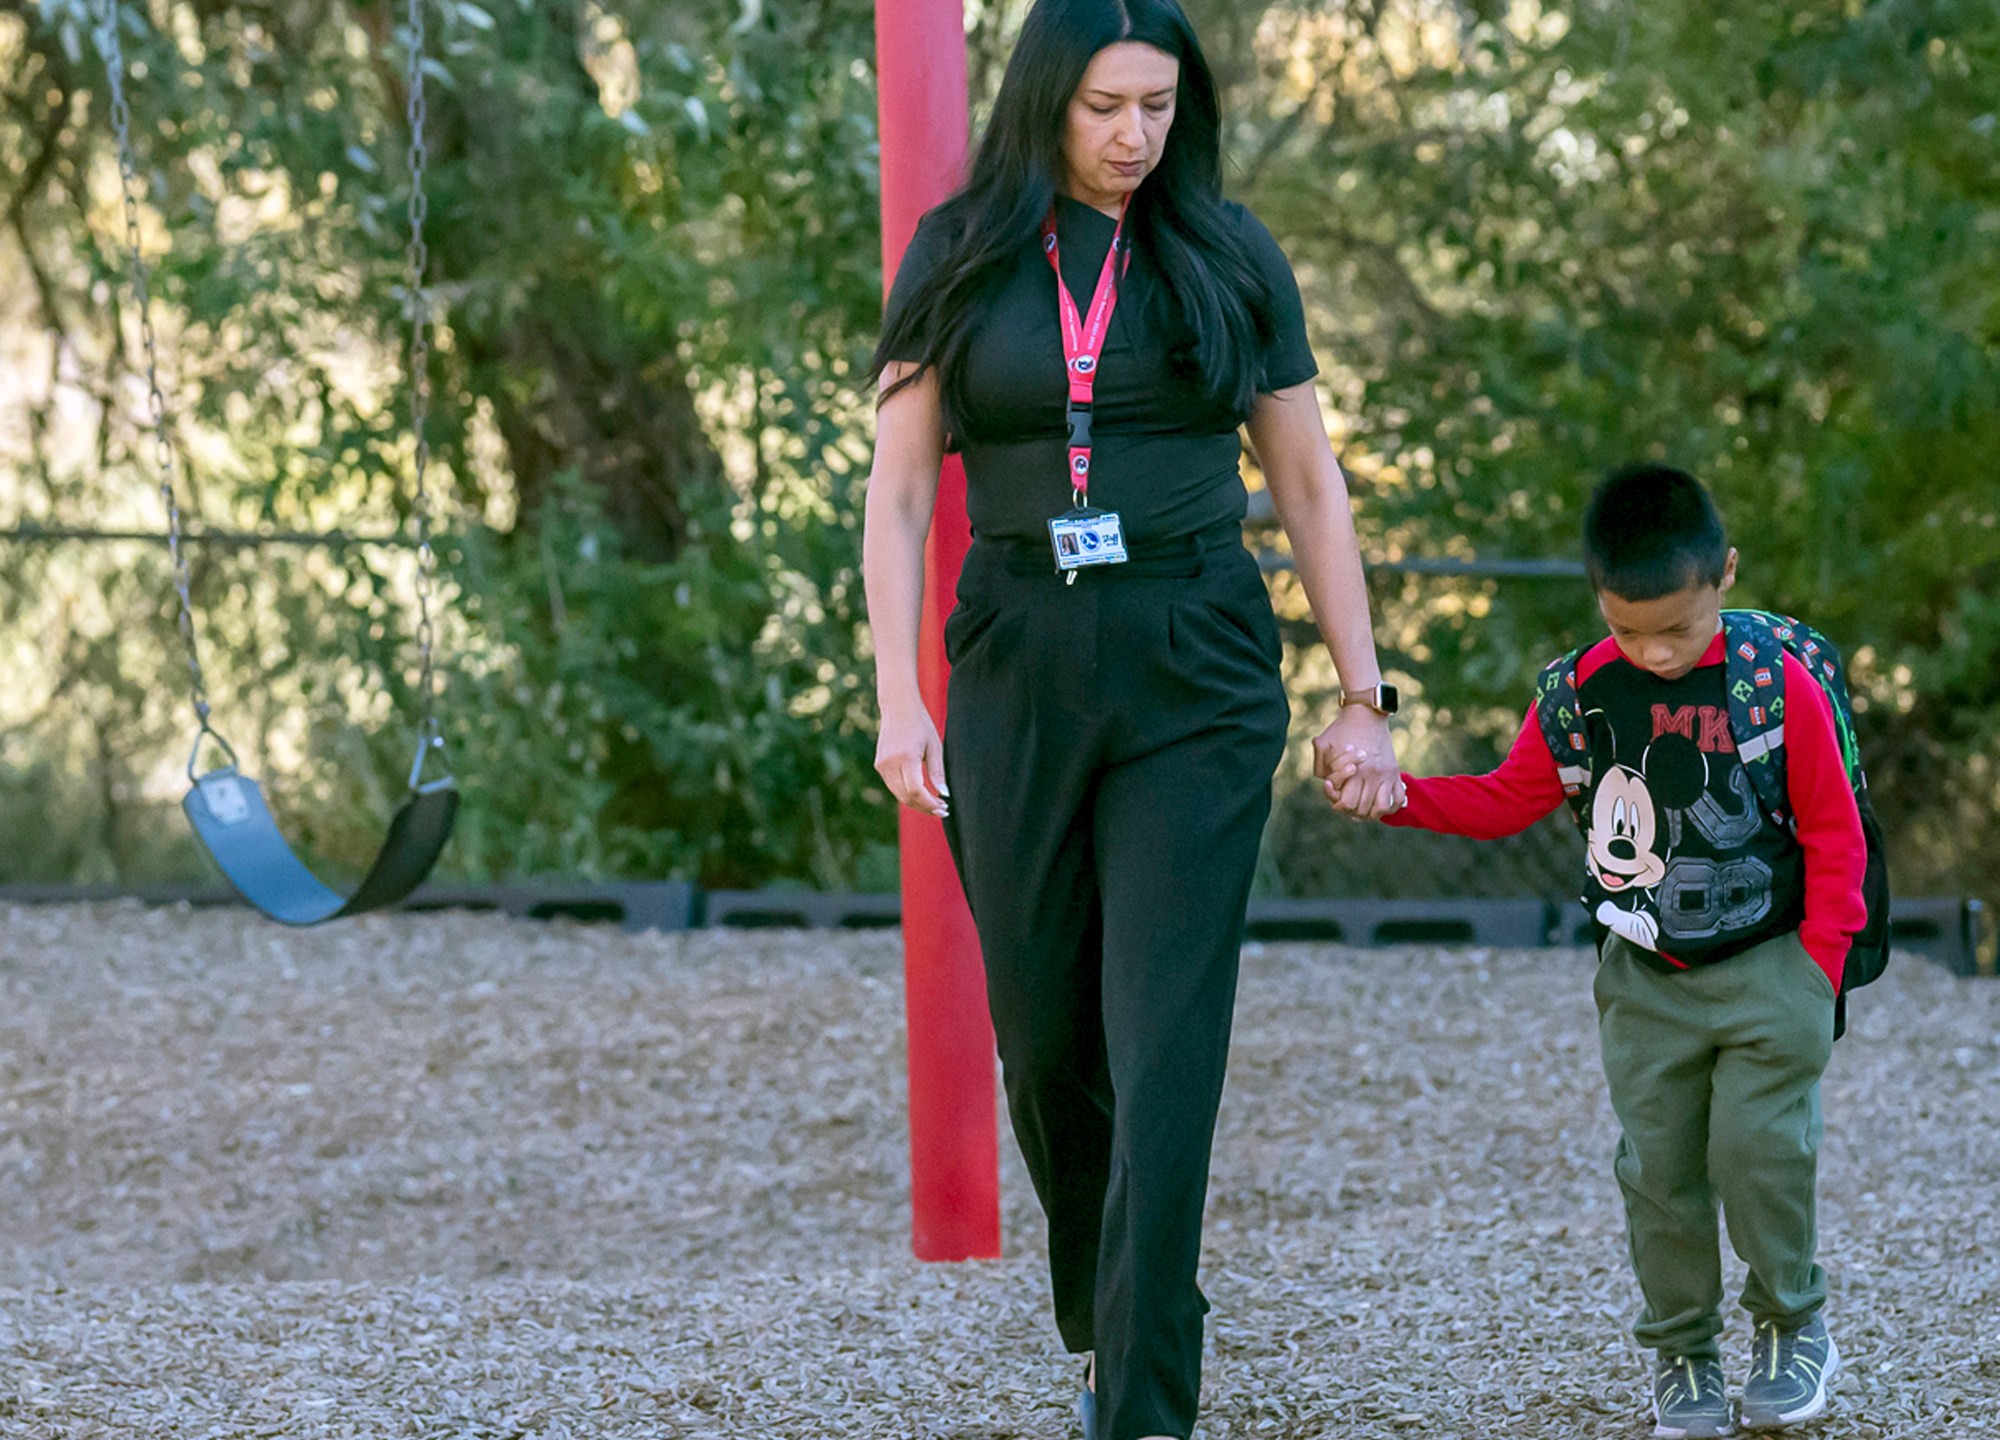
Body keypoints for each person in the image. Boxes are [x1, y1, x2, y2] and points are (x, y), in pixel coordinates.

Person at [861, 1, 1402, 1435]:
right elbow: (902, 490)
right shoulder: (957, 254)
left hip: (1197, 658)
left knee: (1167, 1036)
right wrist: (895, 698)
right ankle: (1102, 1310)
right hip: (1017, 652)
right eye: (1107, 106)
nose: (1134, 138)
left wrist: (1363, 696)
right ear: (1047, 98)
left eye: (1160, 106)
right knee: (1044, 1040)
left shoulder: (1226, 252)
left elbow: (1308, 480)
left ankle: (1147, 1390)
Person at [1328, 464, 1867, 1438]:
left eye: (1677, 628)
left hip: (1766, 968)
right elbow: (1508, 797)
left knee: (1756, 1153)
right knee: (1655, 1174)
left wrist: (1814, 970)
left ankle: (1793, 1325)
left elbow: (1835, 834)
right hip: (1643, 979)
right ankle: (1682, 1355)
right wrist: (1401, 795)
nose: (1655, 654)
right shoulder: (1581, 692)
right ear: (1597, 600)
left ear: (1724, 578)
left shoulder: (1768, 682)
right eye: (1629, 631)